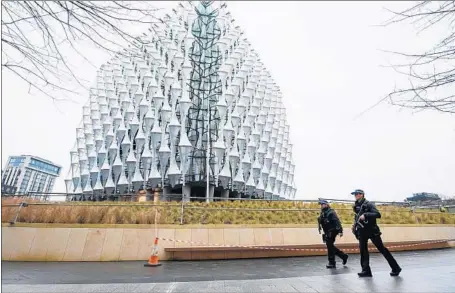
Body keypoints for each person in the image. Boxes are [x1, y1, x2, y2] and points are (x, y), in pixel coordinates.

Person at [351, 189, 402, 277]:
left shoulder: (368, 204)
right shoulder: (356, 205)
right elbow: (357, 216)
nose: (355, 195)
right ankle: (366, 270)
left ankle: (396, 268)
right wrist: (354, 225)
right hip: (362, 231)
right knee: (363, 250)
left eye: (357, 194)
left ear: (362, 194)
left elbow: (378, 214)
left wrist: (366, 215)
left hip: (372, 230)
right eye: (354, 194)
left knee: (382, 249)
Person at [318, 199, 348, 268]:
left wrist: (340, 230)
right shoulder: (323, 212)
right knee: (330, 246)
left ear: (326, 204)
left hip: (332, 231)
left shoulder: (331, 212)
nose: (321, 206)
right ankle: (343, 256)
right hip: (327, 231)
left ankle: (332, 262)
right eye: (321, 205)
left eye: (323, 204)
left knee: (329, 246)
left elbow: (337, 221)